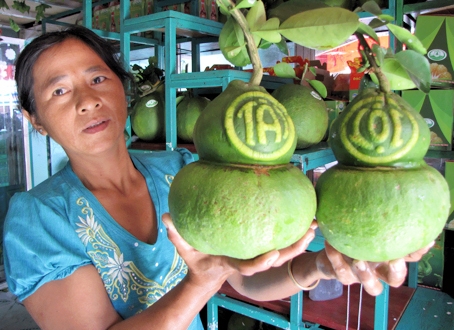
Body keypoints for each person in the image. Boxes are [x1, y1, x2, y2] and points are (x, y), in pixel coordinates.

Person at [3, 25, 432, 330]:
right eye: (59, 91)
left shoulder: (178, 172)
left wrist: (318, 266)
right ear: (34, 119)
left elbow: (243, 277)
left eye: (98, 78)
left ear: (121, 86)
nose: (87, 101)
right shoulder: (37, 219)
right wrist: (200, 283)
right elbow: (210, 276)